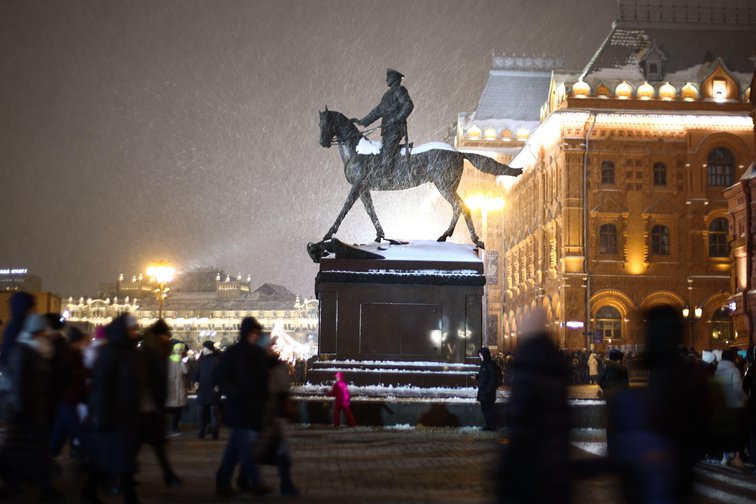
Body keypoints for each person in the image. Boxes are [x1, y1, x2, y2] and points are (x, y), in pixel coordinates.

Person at [497, 309, 571, 504]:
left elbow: (519, 410)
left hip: (528, 455)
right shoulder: (556, 362)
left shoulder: (527, 361)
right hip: (555, 457)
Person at [83, 314, 143, 504]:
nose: (135, 332)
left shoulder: (129, 351)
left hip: (126, 414)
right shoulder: (111, 352)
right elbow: (101, 386)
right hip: (113, 414)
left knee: (111, 458)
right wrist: (102, 415)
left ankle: (89, 493)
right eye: (132, 329)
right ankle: (129, 498)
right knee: (118, 458)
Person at [1, 314, 62, 500]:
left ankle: (24, 485)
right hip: (24, 411)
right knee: (25, 452)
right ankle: (43, 488)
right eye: (43, 329)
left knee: (20, 452)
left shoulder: (35, 349)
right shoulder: (24, 350)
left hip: (30, 410)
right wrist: (23, 409)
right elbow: (19, 383)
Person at [215, 317, 270, 497]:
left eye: (257, 333)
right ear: (247, 333)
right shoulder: (233, 353)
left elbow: (263, 380)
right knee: (246, 447)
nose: (256, 336)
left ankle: (223, 482)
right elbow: (222, 379)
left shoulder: (258, 353)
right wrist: (237, 394)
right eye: (254, 333)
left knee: (234, 448)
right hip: (239, 406)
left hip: (253, 407)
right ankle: (255, 482)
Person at [254, 334, 299, 496]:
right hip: (269, 414)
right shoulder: (268, 365)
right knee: (268, 451)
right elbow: (280, 390)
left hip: (271, 414)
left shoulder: (267, 364)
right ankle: (283, 486)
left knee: (275, 450)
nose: (274, 350)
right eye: (270, 346)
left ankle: (283, 485)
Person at [138, 319, 181, 487]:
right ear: (158, 335)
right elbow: (146, 379)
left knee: (154, 444)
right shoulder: (150, 352)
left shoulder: (160, 351)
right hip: (146, 407)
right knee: (148, 444)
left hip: (153, 406)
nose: (168, 338)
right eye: (165, 335)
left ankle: (168, 474)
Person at [356, 68, 414, 179]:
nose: (386, 79)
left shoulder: (399, 90)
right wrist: (363, 121)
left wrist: (397, 118)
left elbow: (408, 105)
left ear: (394, 78)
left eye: (389, 76)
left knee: (387, 154)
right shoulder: (387, 95)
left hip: (395, 129)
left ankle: (386, 177)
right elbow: (377, 111)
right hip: (388, 130)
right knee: (384, 152)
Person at [50, 326, 91, 459]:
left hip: (68, 399)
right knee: (79, 433)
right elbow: (72, 376)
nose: (83, 344)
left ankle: (47, 461)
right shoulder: (71, 355)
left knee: (60, 434)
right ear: (76, 341)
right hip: (68, 399)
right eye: (81, 341)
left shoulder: (73, 354)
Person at [714, 348, 746, 467]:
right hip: (735, 406)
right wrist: (744, 399)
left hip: (722, 406)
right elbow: (737, 389)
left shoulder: (717, 371)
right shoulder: (734, 370)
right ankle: (736, 458)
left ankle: (725, 456)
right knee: (737, 433)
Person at [194, 340, 221, 440]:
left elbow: (220, 374)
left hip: (213, 390)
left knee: (214, 413)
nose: (203, 349)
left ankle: (215, 433)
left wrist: (218, 385)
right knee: (200, 412)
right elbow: (197, 372)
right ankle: (201, 431)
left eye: (204, 347)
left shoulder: (217, 359)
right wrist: (196, 381)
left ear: (208, 348)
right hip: (202, 390)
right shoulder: (201, 359)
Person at [165, 341, 188, 436]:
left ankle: (174, 427)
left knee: (179, 409)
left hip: (180, 388)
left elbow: (186, 372)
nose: (178, 352)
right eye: (177, 350)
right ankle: (168, 428)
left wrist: (182, 362)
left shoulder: (182, 361)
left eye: (180, 350)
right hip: (171, 388)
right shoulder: (168, 360)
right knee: (169, 409)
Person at [473, 347, 499, 431]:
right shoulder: (483, 364)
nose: (480, 357)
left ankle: (492, 426)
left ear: (485, 355)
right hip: (483, 392)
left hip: (488, 393)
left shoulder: (490, 365)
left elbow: (493, 378)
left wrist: (488, 390)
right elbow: (484, 377)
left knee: (489, 410)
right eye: (479, 355)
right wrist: (477, 377)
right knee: (485, 409)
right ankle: (488, 425)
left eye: (481, 355)